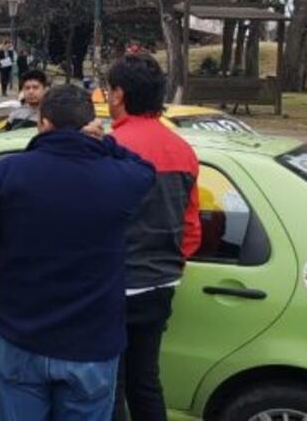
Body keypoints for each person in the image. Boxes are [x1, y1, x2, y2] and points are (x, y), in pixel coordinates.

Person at [0, 84, 155, 421]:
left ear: (42, 123)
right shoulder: (117, 178)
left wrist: (9, 251)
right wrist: (104, 143)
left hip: (20, 336)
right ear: (90, 125)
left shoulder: (9, 172)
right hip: (91, 344)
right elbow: (146, 169)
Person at [106, 54, 200, 421]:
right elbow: (190, 227)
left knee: (109, 383)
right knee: (145, 380)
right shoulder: (184, 150)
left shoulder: (112, 148)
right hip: (161, 282)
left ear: (119, 94)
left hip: (114, 284)